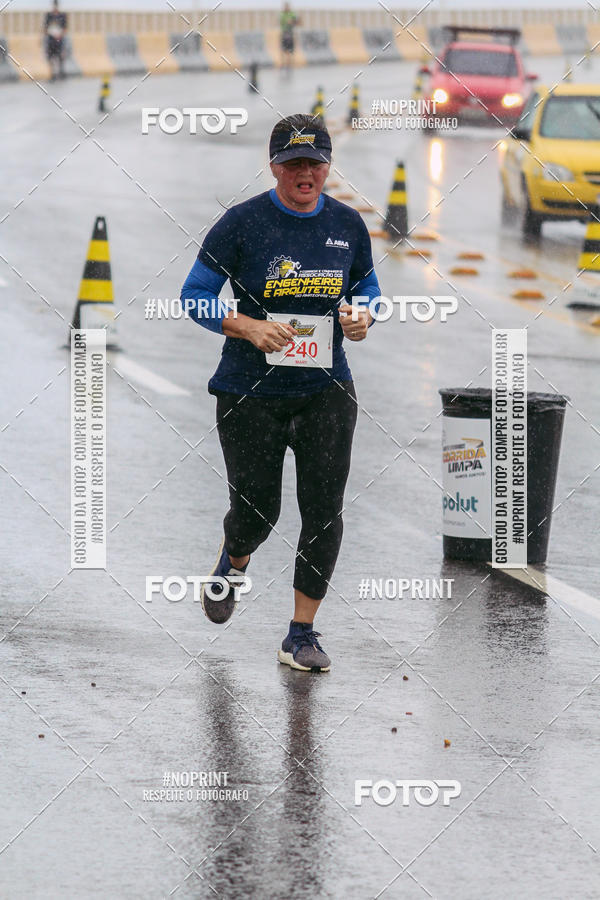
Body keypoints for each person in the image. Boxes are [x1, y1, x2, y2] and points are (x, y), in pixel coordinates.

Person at [181, 113, 380, 672]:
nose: (305, 174)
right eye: (293, 164)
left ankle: (302, 632)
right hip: (249, 391)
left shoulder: (347, 224)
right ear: (273, 166)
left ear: (327, 166)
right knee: (259, 511)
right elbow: (194, 294)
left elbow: (366, 285)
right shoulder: (242, 224)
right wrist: (247, 326)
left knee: (324, 511)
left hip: (325, 389)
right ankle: (235, 558)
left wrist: (364, 314)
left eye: (314, 163)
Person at [44, 0, 68, 81]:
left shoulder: (62, 15)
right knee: (51, 57)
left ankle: (61, 73)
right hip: (51, 39)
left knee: (60, 56)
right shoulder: (49, 15)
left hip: (59, 39)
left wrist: (59, 35)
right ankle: (52, 74)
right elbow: (45, 28)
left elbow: (65, 28)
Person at [280, 3, 300, 72]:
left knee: (290, 50)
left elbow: (296, 21)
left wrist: (292, 22)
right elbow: (281, 22)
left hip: (290, 33)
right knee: (283, 50)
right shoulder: (282, 14)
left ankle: (290, 64)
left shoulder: (292, 14)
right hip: (284, 33)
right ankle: (283, 64)